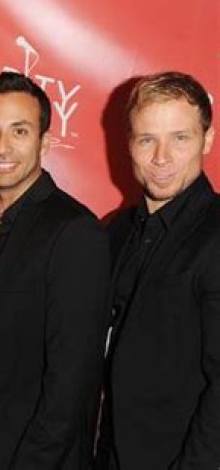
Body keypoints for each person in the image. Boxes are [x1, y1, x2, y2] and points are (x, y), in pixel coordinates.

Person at [0, 71, 110, 469]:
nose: (1, 147)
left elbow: (72, 379)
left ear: (44, 142)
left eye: (19, 131)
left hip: (37, 456)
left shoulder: (75, 231)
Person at [95, 72, 219, 469]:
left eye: (180, 138)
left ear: (207, 140)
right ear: (129, 144)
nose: (161, 157)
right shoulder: (115, 232)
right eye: (147, 139)